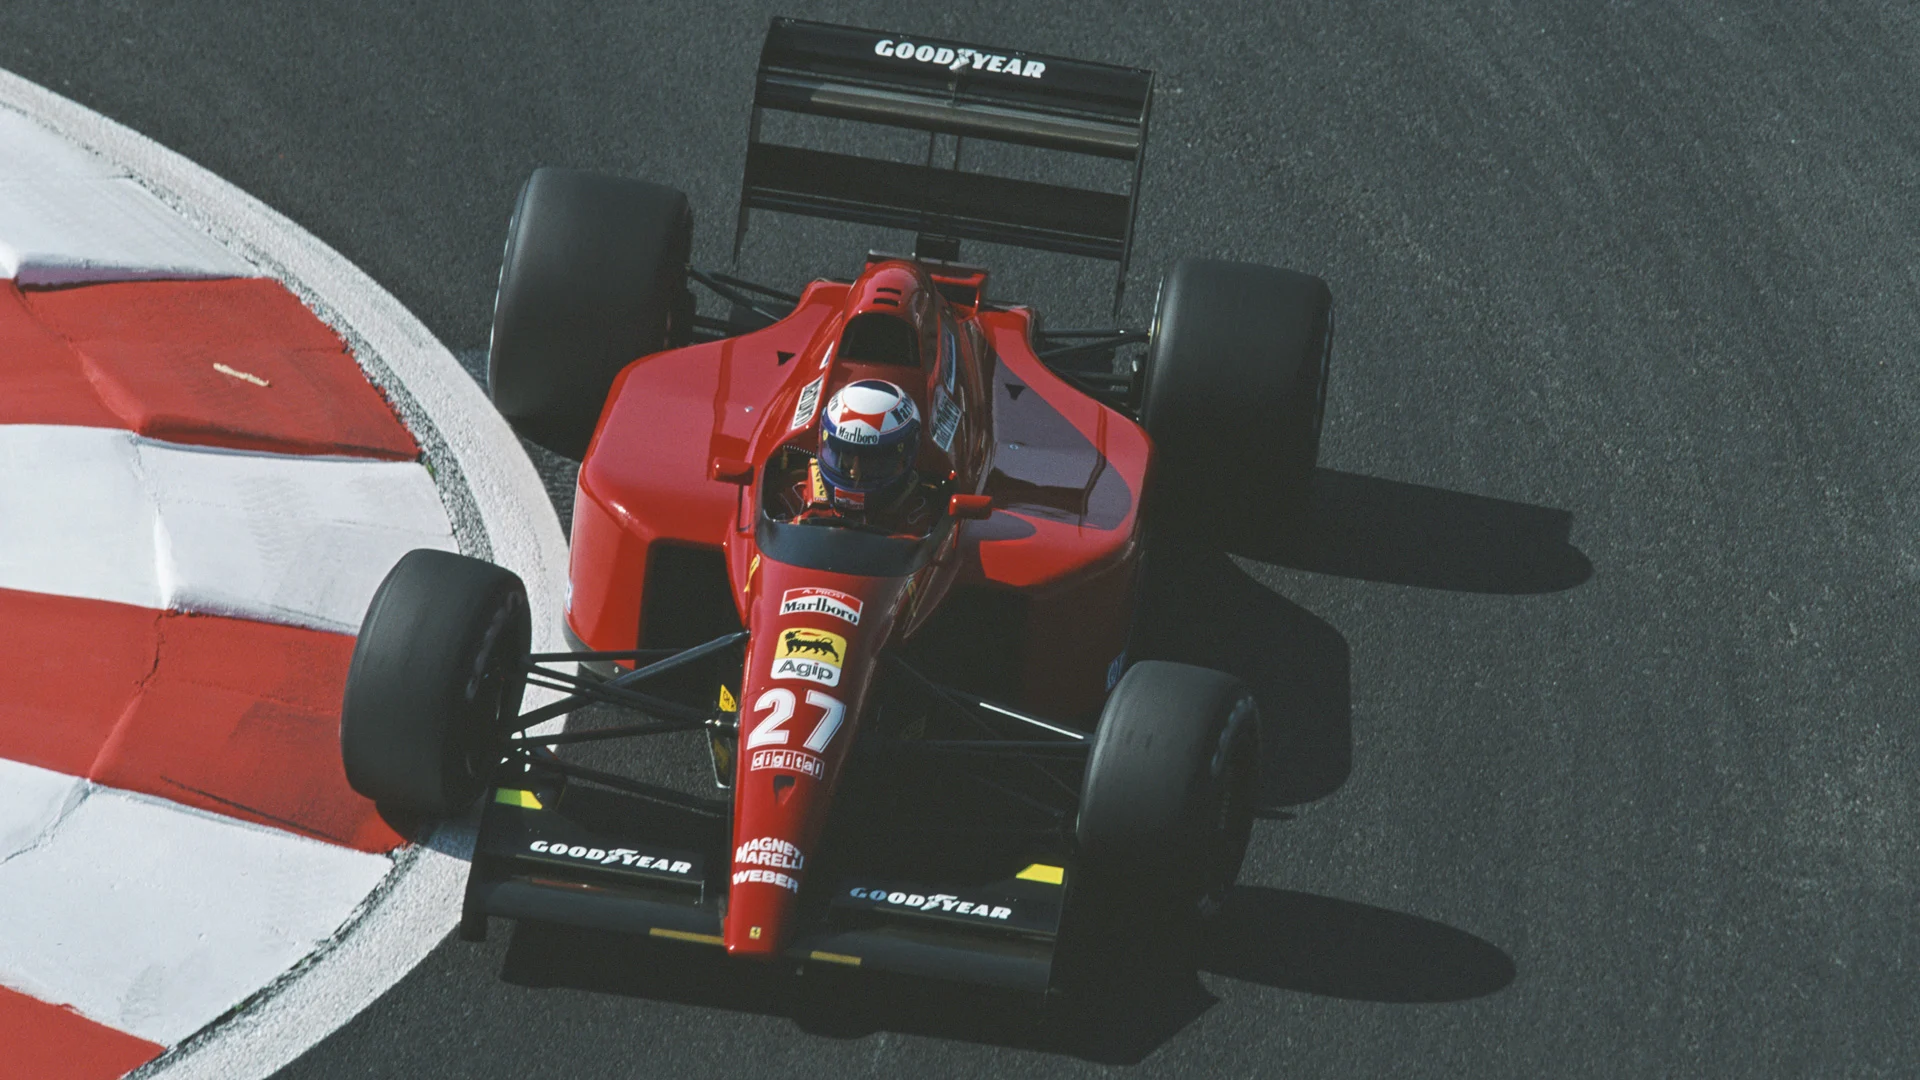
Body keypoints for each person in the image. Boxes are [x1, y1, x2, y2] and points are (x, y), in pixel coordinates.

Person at [772, 379, 939, 534]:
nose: (854, 472)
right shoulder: (798, 498)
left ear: (902, 460)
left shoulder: (918, 514)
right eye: (846, 455)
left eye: (870, 460)